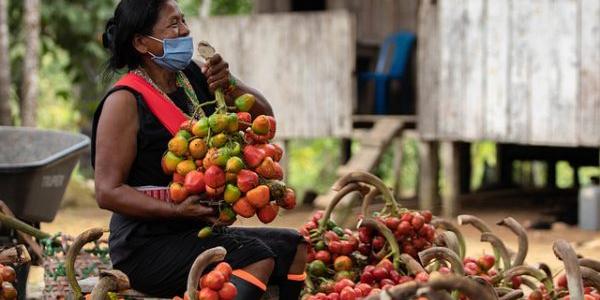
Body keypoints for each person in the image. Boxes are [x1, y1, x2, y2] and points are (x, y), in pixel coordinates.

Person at [91, 0, 307, 298]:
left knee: (294, 246)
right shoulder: (124, 101)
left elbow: (263, 121)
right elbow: (107, 191)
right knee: (257, 256)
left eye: (184, 20)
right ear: (141, 42)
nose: (185, 30)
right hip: (145, 246)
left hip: (197, 232)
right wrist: (175, 209)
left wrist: (230, 85)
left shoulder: (192, 77)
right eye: (173, 24)